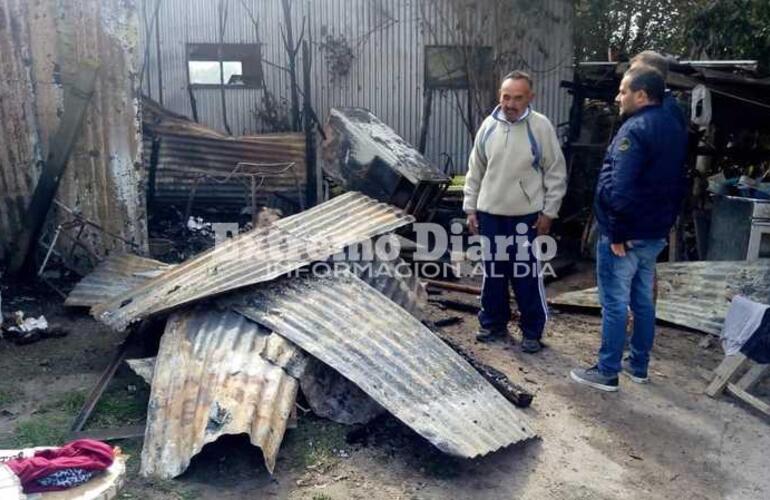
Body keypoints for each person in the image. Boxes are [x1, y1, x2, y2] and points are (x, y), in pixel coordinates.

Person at [570, 66, 687, 391]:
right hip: (653, 232)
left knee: (615, 303)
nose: (617, 97)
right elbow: (676, 182)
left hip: (626, 234)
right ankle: (638, 365)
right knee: (643, 302)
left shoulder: (635, 129)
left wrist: (617, 232)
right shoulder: (673, 125)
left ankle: (607, 371)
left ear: (642, 95)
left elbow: (620, 186)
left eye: (623, 91)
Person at [463, 70, 567, 353]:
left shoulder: (540, 127)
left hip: (526, 218)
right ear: (500, 96)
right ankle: (493, 324)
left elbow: (555, 172)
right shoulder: (488, 126)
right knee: (493, 274)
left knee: (526, 276)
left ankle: (532, 331)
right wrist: (471, 207)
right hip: (490, 215)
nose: (510, 104)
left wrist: (549, 213)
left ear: (530, 97)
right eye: (506, 97)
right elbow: (475, 170)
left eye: (517, 98)